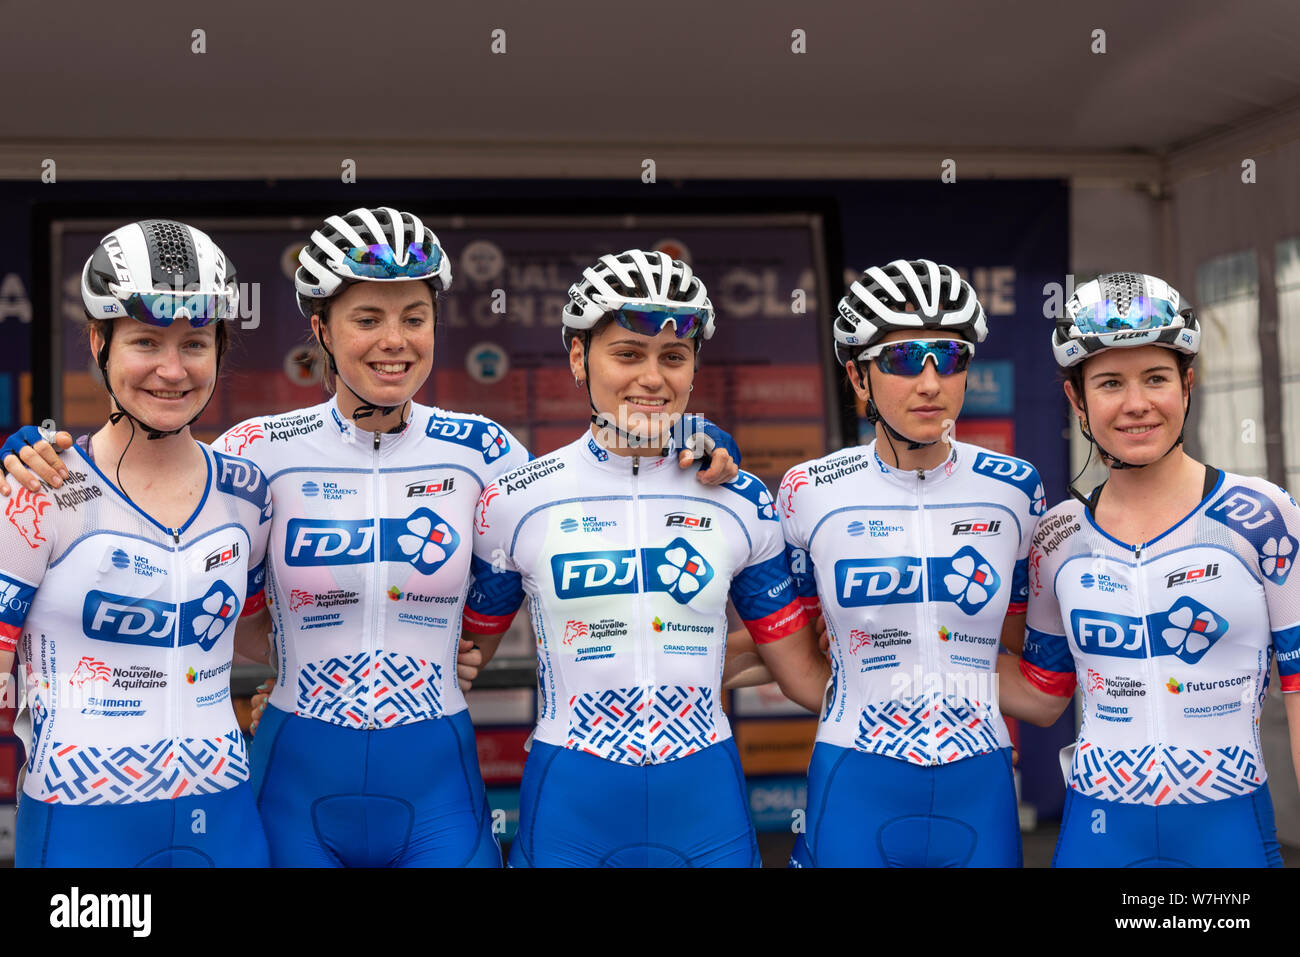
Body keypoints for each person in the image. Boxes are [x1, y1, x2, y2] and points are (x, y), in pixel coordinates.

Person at [1, 208, 742, 867]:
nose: (394, 342)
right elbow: (206, 590)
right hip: (289, 772)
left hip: (437, 783)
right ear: (322, 329)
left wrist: (682, 438)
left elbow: (592, 488)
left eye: (414, 317)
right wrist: (31, 455)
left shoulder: (485, 453)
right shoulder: (255, 453)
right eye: (367, 318)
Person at [465, 249, 830, 867]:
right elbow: (453, 659)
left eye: (673, 357)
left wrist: (937, 706)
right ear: (580, 359)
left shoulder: (740, 496)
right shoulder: (516, 501)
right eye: (628, 354)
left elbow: (799, 674)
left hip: (705, 806)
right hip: (569, 813)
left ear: (694, 367)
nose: (652, 379)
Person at [996, 271, 1300, 867]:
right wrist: (905, 651)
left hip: (1228, 829)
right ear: (1077, 401)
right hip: (1099, 830)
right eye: (1110, 383)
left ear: (1187, 386)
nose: (1137, 404)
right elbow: (1042, 695)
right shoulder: (1057, 535)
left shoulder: (1264, 514)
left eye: (1156, 378)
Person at [0, 219, 271, 866]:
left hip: (225, 819)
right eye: (146, 341)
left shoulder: (247, 491)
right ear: (99, 342)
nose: (172, 370)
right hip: (80, 827)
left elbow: (268, 635)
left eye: (195, 344)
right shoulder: (40, 487)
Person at [770, 258, 1046, 867]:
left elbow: (1023, 642)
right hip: (855, 773)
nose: (929, 383)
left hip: (980, 778)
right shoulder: (807, 489)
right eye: (900, 360)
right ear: (858, 377)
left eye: (948, 358)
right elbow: (781, 645)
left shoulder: (1016, 489)